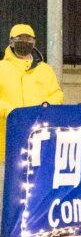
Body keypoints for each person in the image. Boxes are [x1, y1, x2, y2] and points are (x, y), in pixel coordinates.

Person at [0, 24, 63, 164]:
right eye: (20, 38)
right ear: (11, 42)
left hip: (38, 140)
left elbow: (57, 94)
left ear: (34, 42)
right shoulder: (1, 68)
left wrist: (46, 105)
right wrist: (8, 110)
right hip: (6, 140)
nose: (25, 42)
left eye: (28, 39)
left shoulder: (45, 69)